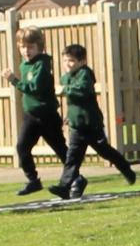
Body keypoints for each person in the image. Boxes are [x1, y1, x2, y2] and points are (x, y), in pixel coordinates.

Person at [54, 42, 135, 198]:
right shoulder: (65, 78)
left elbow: (83, 91)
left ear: (82, 61)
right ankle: (64, 187)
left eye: (71, 60)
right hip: (77, 127)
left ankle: (126, 168)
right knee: (72, 158)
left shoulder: (85, 74)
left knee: (104, 151)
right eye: (65, 60)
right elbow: (73, 102)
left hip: (91, 124)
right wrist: (69, 116)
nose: (68, 64)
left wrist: (66, 89)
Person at [2, 28, 68, 195]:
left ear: (39, 47)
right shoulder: (25, 65)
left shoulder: (42, 65)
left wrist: (13, 80)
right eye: (23, 47)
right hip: (31, 116)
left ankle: (74, 179)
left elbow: (34, 88)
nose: (26, 51)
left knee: (61, 149)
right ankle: (33, 180)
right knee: (22, 147)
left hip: (47, 116)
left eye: (30, 47)